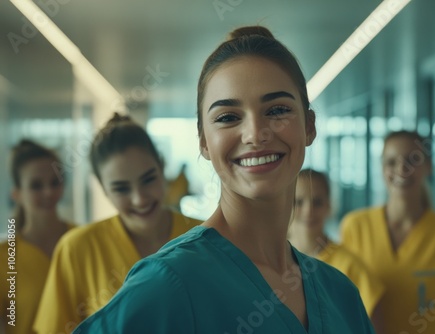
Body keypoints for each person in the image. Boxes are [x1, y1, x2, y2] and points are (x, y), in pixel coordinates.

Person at [74, 26, 374, 333]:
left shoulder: (340, 295)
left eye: (278, 110)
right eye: (228, 117)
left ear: (309, 126)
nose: (256, 134)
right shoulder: (172, 281)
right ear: (204, 141)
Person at [33, 114, 201, 333]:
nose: (139, 199)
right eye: (121, 189)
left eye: (148, 179)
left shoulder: (205, 238)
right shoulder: (77, 249)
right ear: (103, 189)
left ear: (162, 168)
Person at [340, 130, 435, 334]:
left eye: (412, 160)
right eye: (391, 162)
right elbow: (342, 299)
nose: (401, 169)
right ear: (382, 169)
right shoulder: (355, 227)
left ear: (428, 167)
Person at [288, 168, 386, 332]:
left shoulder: (351, 267)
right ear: (286, 204)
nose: (308, 211)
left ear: (329, 205)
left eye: (317, 202)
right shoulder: (273, 260)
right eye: (299, 202)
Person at [0, 139, 74, 334]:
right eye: (36, 185)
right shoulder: (5, 257)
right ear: (17, 194)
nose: (48, 192)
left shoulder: (84, 241)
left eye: (54, 182)